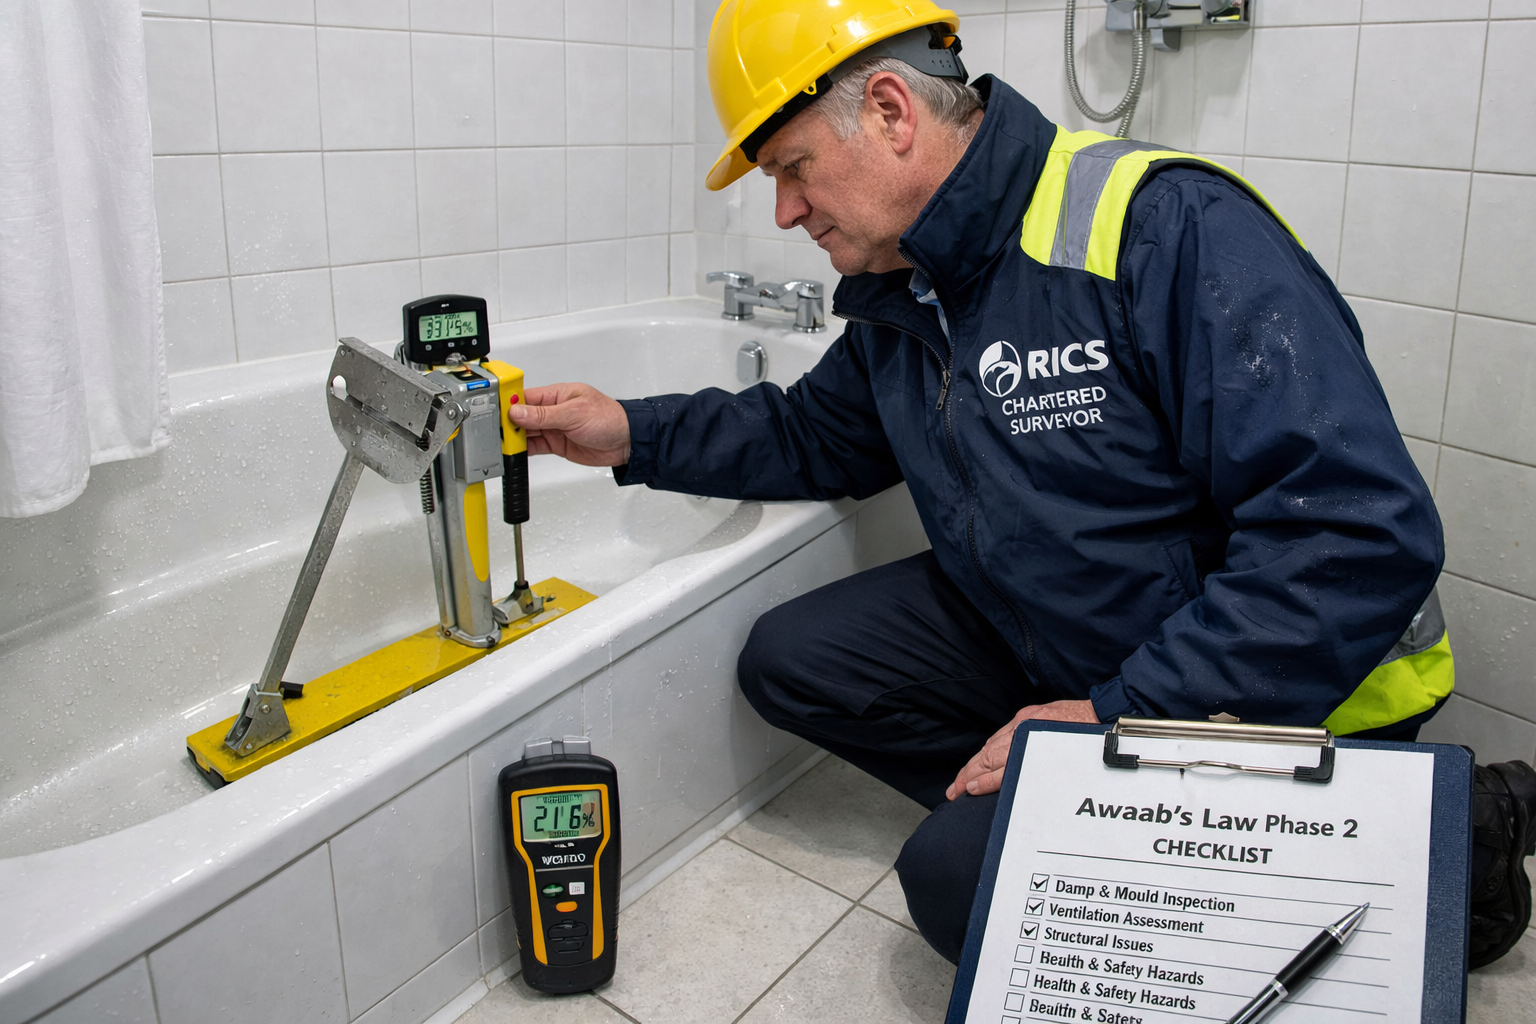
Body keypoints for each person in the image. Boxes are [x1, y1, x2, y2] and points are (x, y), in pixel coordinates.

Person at [506, 0, 1455, 962]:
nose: (785, 210)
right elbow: (812, 434)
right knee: (795, 659)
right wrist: (629, 433)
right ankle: (1084, 821)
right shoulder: (908, 281)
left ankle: (1388, 853)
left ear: (888, 111)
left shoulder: (1166, 227)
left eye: (792, 169)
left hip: (1289, 696)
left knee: (958, 884)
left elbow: (1355, 535)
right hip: (1079, 635)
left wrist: (1115, 717)